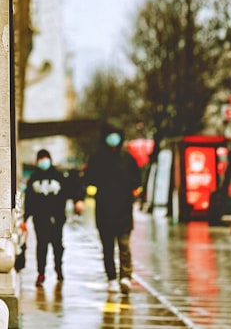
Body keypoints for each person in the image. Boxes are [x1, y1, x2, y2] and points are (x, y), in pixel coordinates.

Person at [79, 123, 142, 294]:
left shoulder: (128, 159)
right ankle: (112, 277)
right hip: (104, 212)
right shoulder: (97, 159)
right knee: (107, 248)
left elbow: (137, 181)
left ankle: (125, 276)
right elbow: (88, 181)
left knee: (124, 246)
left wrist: (134, 193)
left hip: (123, 211)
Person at [23, 148, 77, 287]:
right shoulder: (34, 178)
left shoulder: (58, 176)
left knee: (57, 246)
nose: (43, 162)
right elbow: (29, 200)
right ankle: (41, 273)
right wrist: (25, 218)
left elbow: (67, 193)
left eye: (45, 158)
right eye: (40, 159)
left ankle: (58, 269)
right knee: (41, 246)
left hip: (56, 218)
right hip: (40, 219)